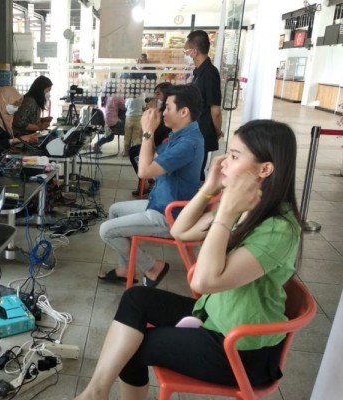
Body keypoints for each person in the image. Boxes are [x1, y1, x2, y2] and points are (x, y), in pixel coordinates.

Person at [76, 119, 301, 400]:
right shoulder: (248, 206)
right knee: (136, 298)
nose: (223, 162)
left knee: (130, 350)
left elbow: (204, 282)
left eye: (234, 156)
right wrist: (210, 187)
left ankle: (94, 394)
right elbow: (179, 231)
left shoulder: (277, 228)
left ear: (265, 169)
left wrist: (226, 213)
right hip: (216, 317)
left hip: (241, 350)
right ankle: (95, 393)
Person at [97, 84, 204, 286]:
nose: (163, 113)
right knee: (114, 210)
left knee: (106, 230)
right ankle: (124, 269)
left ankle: (153, 266)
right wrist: (149, 135)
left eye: (168, 108)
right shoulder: (181, 134)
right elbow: (153, 158)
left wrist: (147, 132)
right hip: (160, 203)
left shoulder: (187, 144)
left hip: (169, 215)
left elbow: (144, 172)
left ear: (184, 112)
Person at [185, 30, 223, 180]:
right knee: (192, 171)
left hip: (202, 131)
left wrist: (217, 131)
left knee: (196, 172)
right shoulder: (199, 72)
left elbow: (215, 110)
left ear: (194, 52)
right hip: (194, 130)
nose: (186, 54)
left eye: (186, 50)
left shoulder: (210, 74)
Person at [129, 82, 173, 196]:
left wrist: (151, 119)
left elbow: (150, 134)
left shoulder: (166, 113)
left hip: (161, 148)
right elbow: (149, 134)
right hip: (156, 143)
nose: (155, 97)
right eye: (155, 94)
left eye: (158, 94)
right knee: (133, 150)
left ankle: (145, 182)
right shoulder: (161, 110)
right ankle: (146, 181)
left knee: (135, 153)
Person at [12, 75, 53, 140]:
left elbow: (29, 118)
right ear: (40, 90)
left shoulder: (35, 101)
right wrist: (39, 127)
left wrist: (42, 120)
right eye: (47, 90)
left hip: (29, 137)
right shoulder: (30, 101)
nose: (49, 94)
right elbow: (19, 122)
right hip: (21, 138)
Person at [122, 85, 145, 157]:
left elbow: (125, 107)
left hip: (129, 118)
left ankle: (125, 152)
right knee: (136, 136)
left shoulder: (128, 99)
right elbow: (144, 107)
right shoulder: (141, 99)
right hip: (138, 119)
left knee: (127, 136)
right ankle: (136, 152)